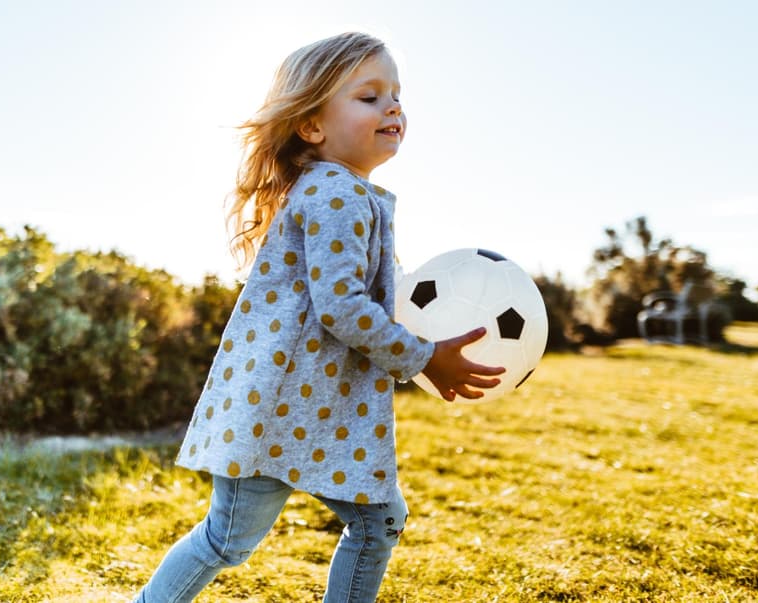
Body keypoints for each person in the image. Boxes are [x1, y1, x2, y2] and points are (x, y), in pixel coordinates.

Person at [133, 31, 504, 603]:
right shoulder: (336, 193)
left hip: (313, 415)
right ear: (311, 125)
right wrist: (425, 356)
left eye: (396, 95)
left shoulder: (345, 192)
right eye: (369, 96)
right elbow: (343, 309)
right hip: (274, 412)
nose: (393, 107)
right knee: (227, 540)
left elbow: (367, 299)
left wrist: (424, 339)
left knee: (377, 521)